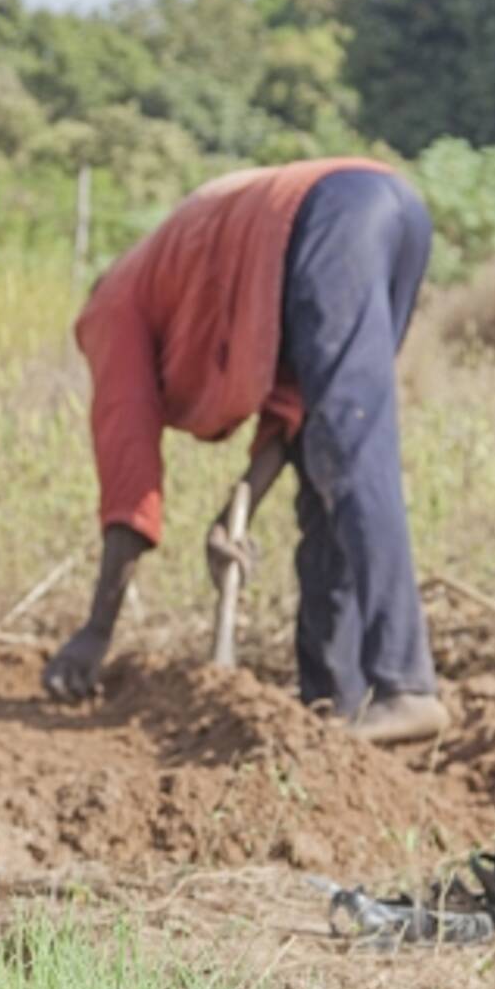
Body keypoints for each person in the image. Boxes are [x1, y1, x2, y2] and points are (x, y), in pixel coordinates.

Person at [41, 157, 451, 746]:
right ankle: (337, 707)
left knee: (349, 438)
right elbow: (291, 413)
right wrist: (238, 510)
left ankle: (405, 686)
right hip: (391, 210)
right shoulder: (182, 270)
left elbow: (128, 468)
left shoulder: (113, 306)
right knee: (324, 463)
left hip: (333, 215)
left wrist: (95, 632)